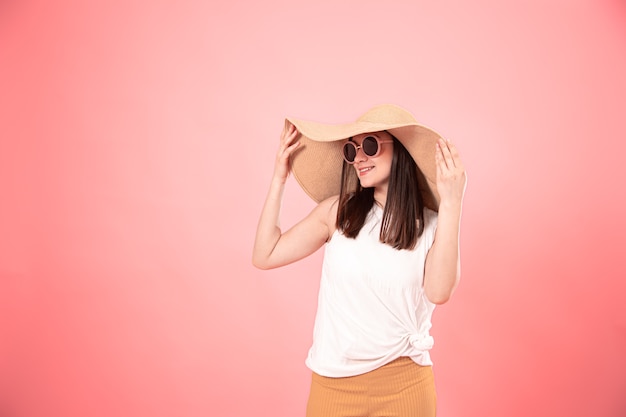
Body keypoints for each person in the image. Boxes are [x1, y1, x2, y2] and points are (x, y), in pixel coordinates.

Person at [252, 104, 467, 417]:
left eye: (370, 145)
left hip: (405, 385)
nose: (359, 158)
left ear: (401, 150)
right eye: (351, 151)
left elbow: (439, 292)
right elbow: (265, 254)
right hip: (334, 387)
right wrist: (278, 180)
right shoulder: (337, 213)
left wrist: (453, 204)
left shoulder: (432, 224)